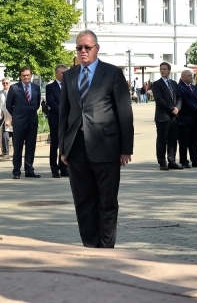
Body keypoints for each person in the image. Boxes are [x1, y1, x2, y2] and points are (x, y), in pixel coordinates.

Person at [59, 30, 133, 248]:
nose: (82, 51)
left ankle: (106, 248)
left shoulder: (111, 74)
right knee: (83, 202)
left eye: (87, 47)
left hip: (106, 147)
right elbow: (64, 114)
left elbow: (125, 113)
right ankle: (90, 248)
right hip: (76, 149)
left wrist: (125, 148)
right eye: (79, 47)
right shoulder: (70, 76)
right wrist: (63, 148)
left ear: (96, 49)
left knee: (107, 202)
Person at [6, 67, 42, 179]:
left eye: (28, 75)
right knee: (18, 147)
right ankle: (16, 171)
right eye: (23, 75)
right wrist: (17, 115)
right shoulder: (14, 88)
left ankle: (29, 170)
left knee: (31, 147)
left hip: (32, 121)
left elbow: (37, 104)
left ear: (31, 75)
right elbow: (8, 105)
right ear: (20, 76)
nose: (26, 77)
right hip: (19, 122)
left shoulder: (36, 88)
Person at [152, 62, 181, 171]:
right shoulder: (156, 84)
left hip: (174, 117)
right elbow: (159, 99)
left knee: (173, 139)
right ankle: (162, 162)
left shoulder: (173, 83)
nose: (163, 71)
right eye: (161, 69)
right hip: (163, 116)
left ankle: (172, 161)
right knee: (162, 140)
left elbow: (179, 97)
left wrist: (177, 107)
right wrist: (171, 108)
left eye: (165, 69)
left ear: (169, 70)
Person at [176, 70, 197, 168]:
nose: (191, 77)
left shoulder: (193, 87)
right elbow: (185, 101)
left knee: (195, 140)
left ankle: (195, 160)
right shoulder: (180, 87)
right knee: (184, 141)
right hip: (185, 118)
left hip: (196, 118)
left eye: (191, 75)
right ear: (183, 77)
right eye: (189, 76)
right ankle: (184, 161)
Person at [46, 65, 69, 178]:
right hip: (56, 120)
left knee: (64, 146)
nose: (64, 75)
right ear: (56, 74)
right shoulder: (50, 87)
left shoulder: (69, 86)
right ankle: (54, 169)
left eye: (66, 73)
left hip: (67, 121)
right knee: (54, 145)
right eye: (62, 73)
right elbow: (51, 102)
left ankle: (64, 168)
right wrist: (63, 112)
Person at [0, 78, 12, 161]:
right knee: (5, 136)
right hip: (3, 117)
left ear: (9, 83)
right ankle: (5, 153)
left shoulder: (13, 93)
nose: (5, 84)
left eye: (7, 83)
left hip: (12, 116)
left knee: (15, 136)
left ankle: (17, 153)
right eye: (4, 83)